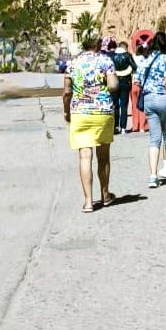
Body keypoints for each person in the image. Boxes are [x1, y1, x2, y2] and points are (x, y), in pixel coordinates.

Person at [61, 29, 118, 212]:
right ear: (98, 42)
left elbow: (67, 91)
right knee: (103, 156)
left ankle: (88, 201)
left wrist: (66, 112)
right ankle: (105, 194)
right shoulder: (105, 60)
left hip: (80, 112)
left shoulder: (73, 63)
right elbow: (113, 85)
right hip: (102, 112)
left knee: (85, 156)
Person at [136, 33, 166, 187]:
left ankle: (153, 176)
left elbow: (137, 81)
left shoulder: (145, 59)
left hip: (149, 100)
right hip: (163, 98)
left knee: (154, 139)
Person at [111, 40, 136, 137]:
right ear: (124, 47)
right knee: (124, 105)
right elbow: (134, 67)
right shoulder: (127, 55)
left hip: (115, 81)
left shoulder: (112, 56)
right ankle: (123, 128)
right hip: (125, 81)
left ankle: (115, 126)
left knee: (115, 105)